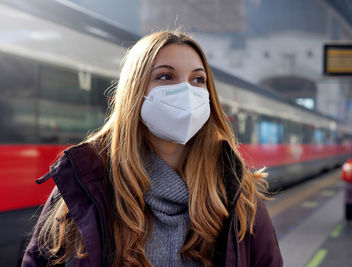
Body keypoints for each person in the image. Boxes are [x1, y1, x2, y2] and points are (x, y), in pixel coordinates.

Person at [22, 31, 283, 267]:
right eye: (166, 76)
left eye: (198, 79)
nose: (187, 91)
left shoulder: (237, 192)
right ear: (135, 92)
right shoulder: (86, 183)